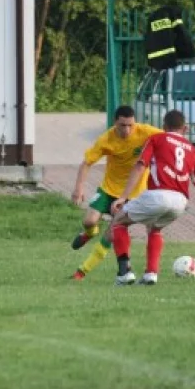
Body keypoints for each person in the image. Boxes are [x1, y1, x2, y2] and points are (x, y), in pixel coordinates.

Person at [106, 109, 195, 285]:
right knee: (154, 229)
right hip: (180, 202)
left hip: (158, 194)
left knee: (119, 221)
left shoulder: (156, 139)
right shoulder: (192, 150)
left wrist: (123, 197)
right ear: (185, 129)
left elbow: (140, 167)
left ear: (163, 127)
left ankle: (125, 273)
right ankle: (151, 274)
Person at [70, 105, 163, 281]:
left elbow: (169, 139)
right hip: (108, 189)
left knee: (112, 232)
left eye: (130, 125)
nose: (127, 130)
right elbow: (86, 163)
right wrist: (78, 188)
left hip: (132, 195)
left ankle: (81, 271)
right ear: (115, 123)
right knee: (89, 221)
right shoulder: (106, 139)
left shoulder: (146, 132)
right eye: (122, 125)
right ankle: (89, 233)